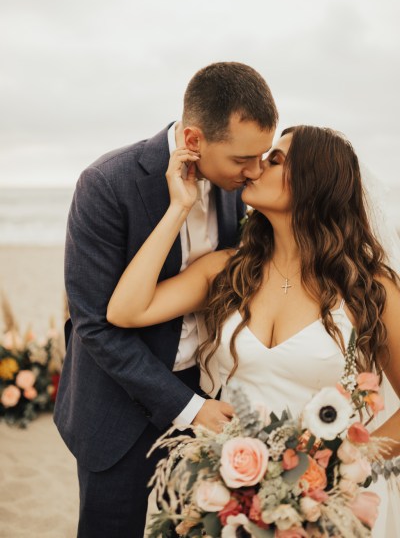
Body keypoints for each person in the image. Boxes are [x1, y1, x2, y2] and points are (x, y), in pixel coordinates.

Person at [107, 125, 400, 537]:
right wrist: (179, 208)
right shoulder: (228, 269)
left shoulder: (369, 288)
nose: (255, 168)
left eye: (275, 159)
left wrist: (342, 468)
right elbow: (126, 310)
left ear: (315, 182)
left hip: (325, 507)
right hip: (231, 495)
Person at [53, 61, 278, 538]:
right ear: (194, 141)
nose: (255, 171)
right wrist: (187, 406)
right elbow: (94, 324)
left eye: (263, 156)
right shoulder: (106, 184)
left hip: (210, 405)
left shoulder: (236, 190)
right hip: (117, 410)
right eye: (243, 159)